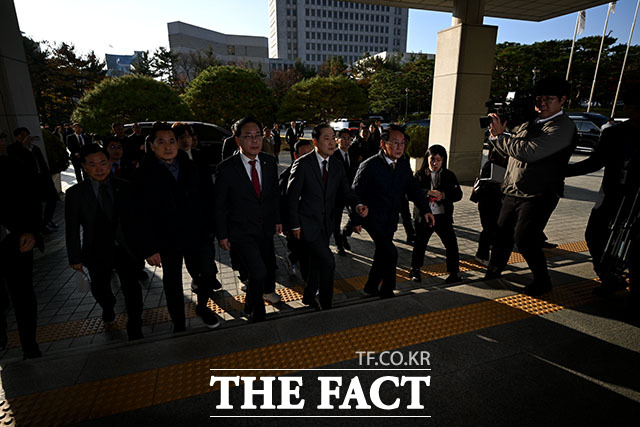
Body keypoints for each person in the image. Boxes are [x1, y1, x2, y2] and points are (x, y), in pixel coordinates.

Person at [485, 77, 577, 296]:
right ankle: (494, 270)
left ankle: (542, 281)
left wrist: (500, 137)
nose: (542, 103)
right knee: (501, 235)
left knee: (525, 238)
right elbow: (509, 148)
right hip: (513, 188)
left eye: (548, 99)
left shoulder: (563, 127)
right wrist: (497, 135)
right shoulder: (530, 121)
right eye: (539, 98)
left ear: (562, 100)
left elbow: (529, 152)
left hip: (540, 192)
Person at [134, 122, 221, 332]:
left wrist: (213, 228)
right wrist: (149, 248)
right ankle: (179, 323)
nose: (168, 146)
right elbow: (140, 214)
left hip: (198, 233)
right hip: (166, 238)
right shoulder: (142, 173)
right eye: (161, 142)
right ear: (152, 145)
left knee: (208, 273)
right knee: (172, 283)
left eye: (172, 141)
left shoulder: (191, 166)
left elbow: (209, 198)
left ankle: (202, 307)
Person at [566, 84, 640, 309]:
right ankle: (608, 276)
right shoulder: (615, 133)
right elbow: (595, 162)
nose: (633, 111)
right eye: (631, 106)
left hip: (637, 201)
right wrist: (563, 171)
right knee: (594, 235)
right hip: (611, 196)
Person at [65, 144, 144, 340]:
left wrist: (146, 248)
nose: (99, 169)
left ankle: (135, 324)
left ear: (109, 162)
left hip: (126, 249)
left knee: (132, 288)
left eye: (103, 163)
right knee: (101, 289)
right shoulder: (76, 193)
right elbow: (71, 228)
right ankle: (108, 307)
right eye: (92, 165)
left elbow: (138, 220)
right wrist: (74, 257)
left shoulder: (125, 187)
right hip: (96, 250)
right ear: (84, 167)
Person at [287, 123, 367, 310]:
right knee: (328, 262)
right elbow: (291, 197)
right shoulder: (303, 164)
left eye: (333, 138)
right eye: (326, 138)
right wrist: (294, 225)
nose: (332, 143)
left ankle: (308, 297)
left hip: (327, 224)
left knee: (316, 263)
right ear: (315, 142)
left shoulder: (337, 165)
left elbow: (346, 191)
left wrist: (358, 205)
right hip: (307, 224)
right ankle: (326, 303)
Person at [352, 124, 435, 299]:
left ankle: (370, 288)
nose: (400, 147)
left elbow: (413, 189)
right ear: (383, 144)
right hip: (373, 220)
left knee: (382, 254)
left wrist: (426, 210)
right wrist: (356, 220)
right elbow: (355, 195)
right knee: (391, 253)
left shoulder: (403, 164)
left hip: (390, 220)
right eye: (395, 143)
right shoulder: (369, 165)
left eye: (402, 143)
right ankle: (387, 291)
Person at [215, 117, 282, 322]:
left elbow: (274, 195)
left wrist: (277, 219)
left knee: (261, 271)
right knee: (258, 272)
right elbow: (220, 205)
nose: (254, 141)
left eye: (258, 136)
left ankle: (249, 305)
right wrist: (222, 234)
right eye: (248, 136)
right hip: (240, 231)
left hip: (265, 229)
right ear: (238, 140)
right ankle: (257, 312)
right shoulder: (226, 168)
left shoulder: (269, 162)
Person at [0, 130, 42, 359]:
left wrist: (31, 231)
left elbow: (32, 199)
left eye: (1, 137)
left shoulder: (13, 165)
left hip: (16, 241)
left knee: (23, 295)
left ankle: (29, 345)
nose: (1, 141)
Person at [410, 145, 463, 284]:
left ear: (443, 160)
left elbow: (458, 194)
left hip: (443, 216)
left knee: (451, 244)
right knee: (420, 244)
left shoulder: (449, 175)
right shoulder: (419, 175)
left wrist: (443, 195)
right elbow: (410, 193)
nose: (435, 163)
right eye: (432, 159)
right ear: (427, 159)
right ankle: (415, 270)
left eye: (438, 160)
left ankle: (454, 273)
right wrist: (428, 192)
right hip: (424, 217)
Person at [9, 127, 60, 232]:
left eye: (26, 135)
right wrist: (25, 147)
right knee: (36, 206)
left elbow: (43, 164)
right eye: (22, 135)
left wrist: (48, 178)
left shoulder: (35, 148)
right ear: (17, 137)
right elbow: (19, 163)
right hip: (30, 182)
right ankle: (41, 227)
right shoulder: (13, 149)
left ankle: (47, 221)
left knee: (52, 199)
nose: (26, 137)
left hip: (43, 179)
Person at [279, 140, 314, 277]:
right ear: (295, 155)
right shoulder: (287, 176)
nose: (308, 158)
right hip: (296, 224)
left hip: (312, 222)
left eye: (311, 154)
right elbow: (283, 203)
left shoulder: (318, 171)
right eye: (304, 154)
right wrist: (287, 226)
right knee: (301, 252)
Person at [470, 146, 507, 264]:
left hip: (496, 203)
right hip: (487, 203)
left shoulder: (504, 166)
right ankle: (482, 255)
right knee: (488, 229)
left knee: (492, 229)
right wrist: (499, 186)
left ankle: (487, 252)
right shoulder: (490, 166)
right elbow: (484, 186)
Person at [331, 128, 359, 256]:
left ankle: (344, 235)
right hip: (337, 195)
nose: (347, 141)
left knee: (356, 216)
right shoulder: (333, 156)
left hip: (350, 193)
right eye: (343, 138)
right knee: (336, 221)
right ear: (337, 140)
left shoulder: (352, 154)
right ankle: (339, 245)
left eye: (349, 139)